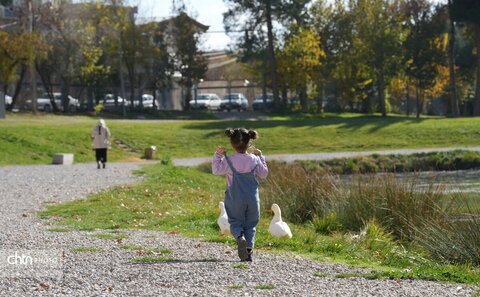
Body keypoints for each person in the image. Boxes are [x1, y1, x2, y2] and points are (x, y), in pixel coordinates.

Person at [212, 128, 268, 262]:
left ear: (232, 144)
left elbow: (216, 170)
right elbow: (264, 174)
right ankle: (248, 251)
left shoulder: (229, 160)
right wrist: (261, 157)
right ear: (249, 143)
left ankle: (239, 236)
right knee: (251, 224)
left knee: (235, 222)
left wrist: (218, 155)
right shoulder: (254, 159)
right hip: (252, 199)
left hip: (234, 198)